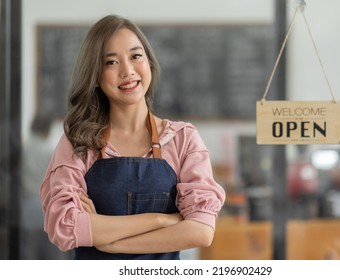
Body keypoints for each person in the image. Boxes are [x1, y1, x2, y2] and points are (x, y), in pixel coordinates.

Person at [40, 14, 226, 260]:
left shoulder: (182, 139)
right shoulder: (78, 141)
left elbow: (201, 231)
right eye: (110, 62)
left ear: (149, 62)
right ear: (95, 76)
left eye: (135, 56)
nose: (127, 71)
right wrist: (162, 220)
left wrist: (108, 240)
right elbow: (64, 227)